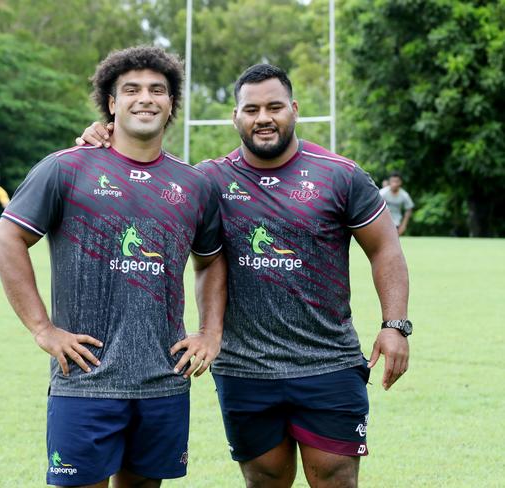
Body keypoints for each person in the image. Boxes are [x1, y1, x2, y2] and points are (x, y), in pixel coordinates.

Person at [78, 63, 411, 488]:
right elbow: (143, 179)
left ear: (294, 109)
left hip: (328, 361)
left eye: (275, 107)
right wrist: (103, 139)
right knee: (265, 479)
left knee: (335, 478)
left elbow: (385, 248)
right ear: (236, 117)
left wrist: (395, 325)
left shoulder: (340, 175)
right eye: (251, 110)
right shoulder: (207, 180)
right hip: (244, 367)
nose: (263, 118)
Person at [0, 46, 226, 488]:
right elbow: (7, 239)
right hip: (84, 380)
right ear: (112, 103)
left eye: (158, 90)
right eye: (131, 89)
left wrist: (210, 331)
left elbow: (210, 263)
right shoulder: (67, 167)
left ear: (171, 104)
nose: (146, 98)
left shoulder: (194, 184)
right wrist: (43, 328)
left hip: (163, 381)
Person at [379, 171, 414, 236]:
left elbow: (409, 208)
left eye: (396, 181)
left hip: (396, 222)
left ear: (400, 182)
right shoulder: (382, 193)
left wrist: (404, 225)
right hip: (382, 220)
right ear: (389, 182)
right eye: (392, 181)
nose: (394, 184)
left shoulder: (404, 195)